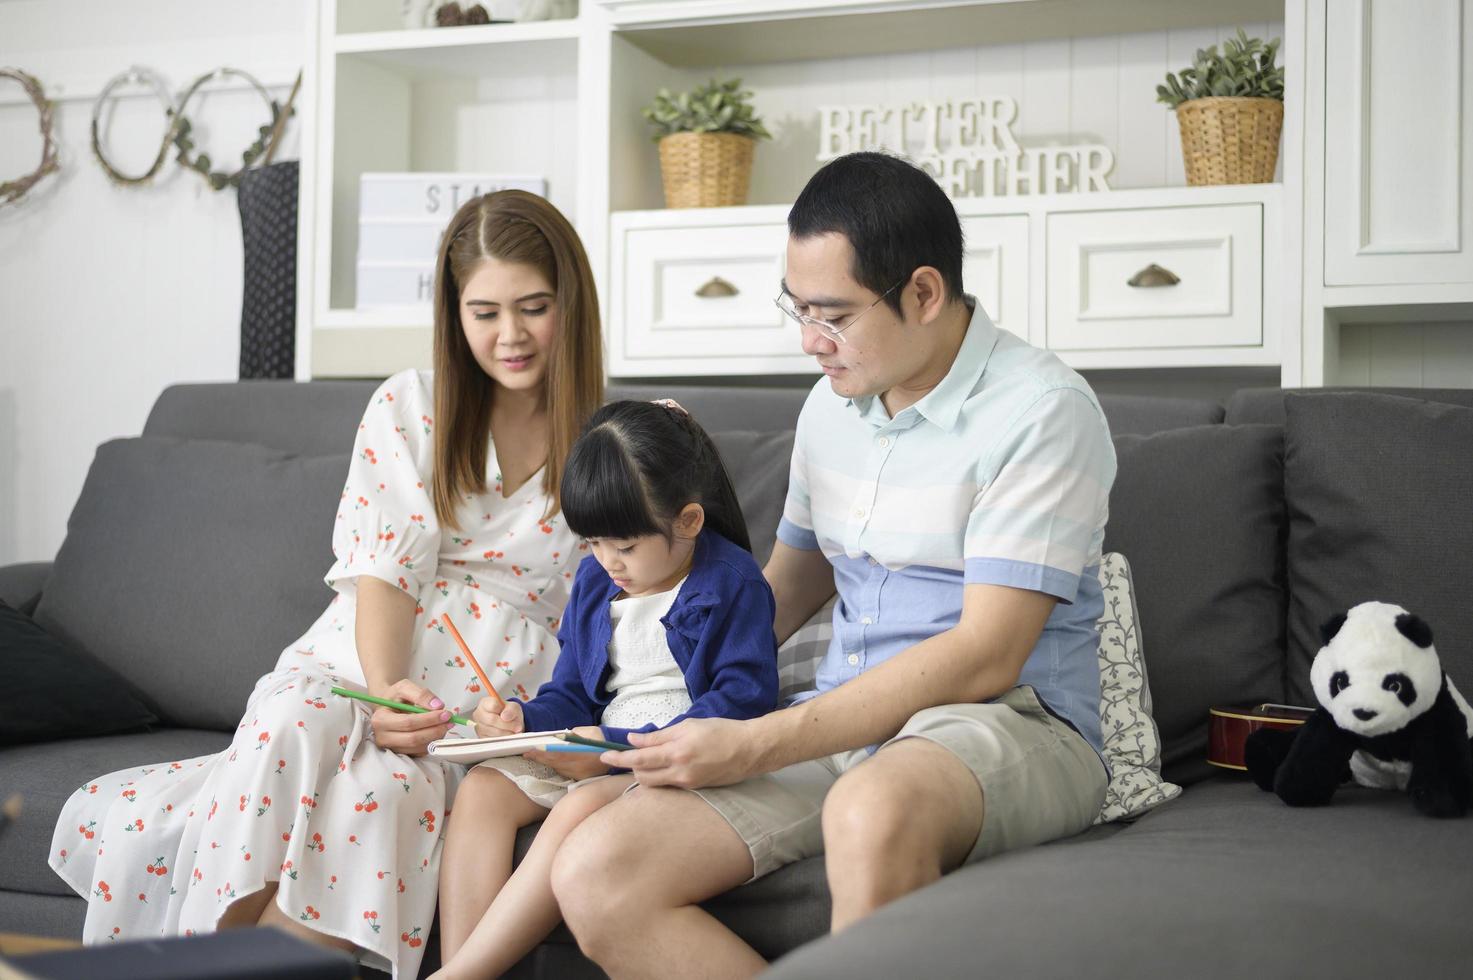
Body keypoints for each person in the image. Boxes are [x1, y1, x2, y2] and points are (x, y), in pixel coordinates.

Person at [544, 151, 1118, 976]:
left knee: (871, 808)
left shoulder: (1042, 412)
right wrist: (660, 699)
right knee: (596, 870)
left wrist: (754, 743)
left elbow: (986, 653)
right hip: (843, 713)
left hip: (1010, 718)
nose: (811, 341)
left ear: (923, 293)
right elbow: (786, 587)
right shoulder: (832, 405)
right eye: (798, 308)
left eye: (834, 315)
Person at [48, 190, 604, 979]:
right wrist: (387, 687)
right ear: (454, 315)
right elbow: (385, 565)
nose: (508, 335)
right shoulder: (412, 404)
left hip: (476, 710)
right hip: (364, 664)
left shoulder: (608, 443)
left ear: (570, 304)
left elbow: (619, 606)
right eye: (483, 312)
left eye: (533, 307)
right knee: (286, 726)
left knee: (382, 803)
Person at [433, 399, 779, 980]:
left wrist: (613, 745)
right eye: (592, 543)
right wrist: (525, 719)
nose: (607, 561)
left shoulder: (731, 583)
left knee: (582, 807)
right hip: (595, 746)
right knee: (484, 789)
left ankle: (464, 975)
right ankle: (458, 960)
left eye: (625, 545)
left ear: (689, 522)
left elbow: (740, 705)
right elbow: (570, 689)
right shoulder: (597, 580)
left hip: (668, 756)